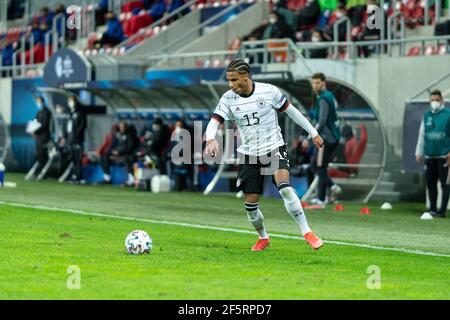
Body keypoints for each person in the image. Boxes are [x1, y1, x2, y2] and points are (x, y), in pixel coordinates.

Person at [204, 59, 324, 251]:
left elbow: (292, 112)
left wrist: (313, 133)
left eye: (234, 80)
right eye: (229, 80)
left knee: (284, 187)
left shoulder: (269, 91)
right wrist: (210, 138)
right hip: (249, 154)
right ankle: (263, 237)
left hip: (274, 147)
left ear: (246, 77)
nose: (230, 84)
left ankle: (307, 232)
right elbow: (214, 120)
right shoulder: (228, 98)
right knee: (251, 206)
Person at [415, 90, 450, 218]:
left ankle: (442, 211)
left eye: (437, 99)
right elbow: (421, 135)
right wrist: (418, 152)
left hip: (444, 156)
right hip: (430, 155)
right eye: (432, 100)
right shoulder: (426, 116)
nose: (434, 102)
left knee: (445, 184)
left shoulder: (448, 114)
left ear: (442, 101)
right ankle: (433, 210)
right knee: (430, 184)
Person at [311, 73, 342, 207]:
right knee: (317, 166)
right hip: (331, 137)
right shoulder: (329, 96)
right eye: (313, 83)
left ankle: (322, 198)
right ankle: (329, 191)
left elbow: (322, 120)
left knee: (319, 167)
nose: (315, 85)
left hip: (326, 138)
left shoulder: (323, 98)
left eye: (318, 82)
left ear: (324, 83)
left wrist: (312, 134)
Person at [101, 121, 139, 185]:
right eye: (120, 127)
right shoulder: (120, 135)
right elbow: (119, 145)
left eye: (123, 127)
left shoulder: (130, 135)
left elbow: (130, 147)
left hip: (128, 154)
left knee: (128, 159)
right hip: (121, 154)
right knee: (104, 156)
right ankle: (107, 178)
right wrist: (114, 151)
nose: (121, 128)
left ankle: (132, 180)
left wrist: (119, 152)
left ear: (126, 127)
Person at [67, 95, 87, 183]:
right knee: (73, 158)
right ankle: (75, 175)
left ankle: (80, 176)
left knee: (78, 158)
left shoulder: (81, 111)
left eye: (71, 101)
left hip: (78, 139)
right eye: (69, 101)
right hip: (71, 138)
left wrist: (77, 134)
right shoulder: (71, 112)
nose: (70, 103)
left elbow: (83, 125)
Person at [31, 96, 52, 178]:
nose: (38, 103)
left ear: (43, 102)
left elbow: (44, 125)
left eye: (39, 101)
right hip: (38, 137)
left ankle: (44, 173)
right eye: (37, 102)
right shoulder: (39, 112)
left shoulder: (47, 112)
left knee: (43, 155)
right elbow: (35, 121)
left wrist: (35, 131)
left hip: (44, 136)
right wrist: (32, 129)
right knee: (39, 155)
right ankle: (39, 172)